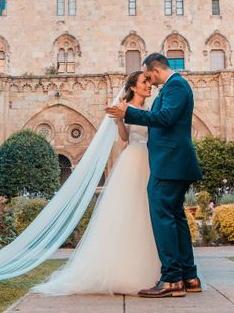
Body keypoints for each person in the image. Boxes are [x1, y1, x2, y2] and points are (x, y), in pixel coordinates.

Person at [32, 71, 160, 295]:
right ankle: (126, 272)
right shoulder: (125, 107)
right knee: (130, 211)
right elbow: (124, 138)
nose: (149, 86)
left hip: (150, 160)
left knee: (148, 214)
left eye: (149, 82)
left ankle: (152, 270)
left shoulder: (151, 110)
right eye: (144, 82)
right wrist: (120, 119)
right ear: (133, 87)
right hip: (133, 159)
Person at [105, 52, 203, 298]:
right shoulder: (172, 87)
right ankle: (189, 276)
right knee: (175, 216)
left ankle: (171, 279)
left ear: (156, 70)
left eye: (149, 76)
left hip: (170, 163)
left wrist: (127, 112)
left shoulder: (176, 86)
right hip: (171, 162)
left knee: (163, 216)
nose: (150, 81)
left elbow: (165, 118)